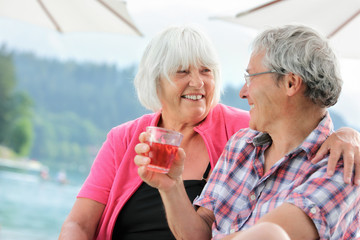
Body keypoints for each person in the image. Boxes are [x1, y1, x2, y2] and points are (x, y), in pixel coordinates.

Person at [59, 25, 360, 240]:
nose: (242, 91)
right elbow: (80, 224)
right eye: (182, 71)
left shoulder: (341, 166)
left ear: (291, 83)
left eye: (206, 71)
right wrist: (170, 185)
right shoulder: (243, 145)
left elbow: (271, 235)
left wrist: (349, 133)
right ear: (156, 80)